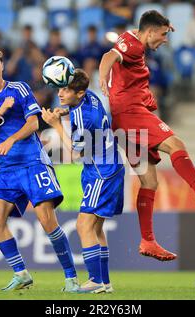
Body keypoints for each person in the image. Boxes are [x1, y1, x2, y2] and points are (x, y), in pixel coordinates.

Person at [98, 10, 195, 261]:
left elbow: (130, 41)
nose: (165, 40)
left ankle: (148, 241)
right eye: (162, 35)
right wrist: (102, 76)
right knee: (176, 144)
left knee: (149, 181)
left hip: (124, 119)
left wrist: (163, 24)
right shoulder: (132, 45)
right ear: (149, 32)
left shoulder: (131, 36)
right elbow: (109, 56)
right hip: (130, 112)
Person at [0, 44, 79, 292]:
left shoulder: (19, 88)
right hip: (7, 171)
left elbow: (33, 124)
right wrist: (0, 112)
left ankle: (71, 279)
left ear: (2, 65)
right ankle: (21, 273)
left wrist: (10, 139)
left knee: (46, 220)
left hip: (32, 162)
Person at [42, 69, 123, 294]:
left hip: (101, 171)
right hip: (110, 166)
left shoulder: (84, 118)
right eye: (60, 88)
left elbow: (76, 154)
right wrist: (65, 110)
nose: (60, 93)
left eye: (65, 90)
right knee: (96, 228)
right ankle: (105, 283)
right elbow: (78, 110)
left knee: (83, 225)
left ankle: (95, 279)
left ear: (79, 93)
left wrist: (56, 124)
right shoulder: (92, 97)